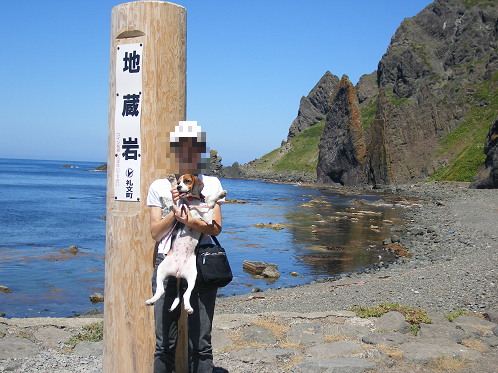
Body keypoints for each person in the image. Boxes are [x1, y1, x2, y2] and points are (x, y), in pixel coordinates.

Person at [146, 123, 225, 373]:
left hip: (199, 262)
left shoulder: (210, 184)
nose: (188, 154)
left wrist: (189, 220)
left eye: (193, 148)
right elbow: (155, 232)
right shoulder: (160, 186)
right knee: (164, 344)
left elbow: (215, 228)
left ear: (200, 152)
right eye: (182, 148)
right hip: (167, 260)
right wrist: (175, 209)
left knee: (201, 343)